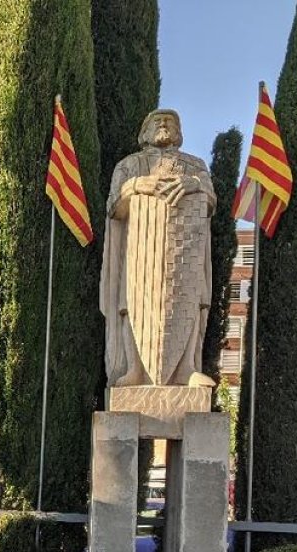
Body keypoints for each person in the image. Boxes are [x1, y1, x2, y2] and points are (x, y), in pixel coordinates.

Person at [100, 108, 217, 387]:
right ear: (145, 132)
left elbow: (210, 200)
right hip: (141, 249)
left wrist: (194, 184)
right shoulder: (130, 165)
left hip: (185, 253)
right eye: (158, 121)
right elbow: (113, 206)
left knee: (191, 301)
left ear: (179, 132)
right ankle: (135, 370)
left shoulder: (195, 165)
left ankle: (187, 369)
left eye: (170, 121)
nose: (164, 124)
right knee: (132, 304)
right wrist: (139, 184)